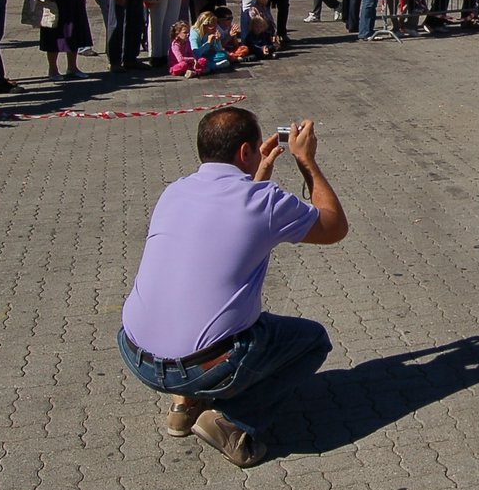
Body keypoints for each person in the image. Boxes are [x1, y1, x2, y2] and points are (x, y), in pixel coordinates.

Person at [119, 109, 347, 468]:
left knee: (192, 301)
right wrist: (306, 161)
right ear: (245, 153)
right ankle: (233, 422)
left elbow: (231, 213)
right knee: (311, 341)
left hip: (136, 352)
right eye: (257, 149)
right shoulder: (264, 201)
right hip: (200, 364)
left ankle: (184, 405)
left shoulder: (174, 191)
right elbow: (334, 226)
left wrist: (259, 175)